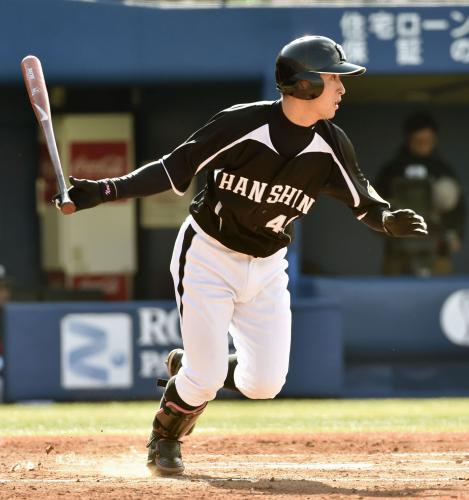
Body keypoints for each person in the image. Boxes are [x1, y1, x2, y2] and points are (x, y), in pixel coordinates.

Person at [54, 35, 427, 475]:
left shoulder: (332, 143)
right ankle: (165, 439)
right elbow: (173, 168)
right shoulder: (242, 124)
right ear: (305, 85)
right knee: (205, 378)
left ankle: (193, 366)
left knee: (265, 384)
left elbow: (363, 200)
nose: (342, 89)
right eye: (333, 79)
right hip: (209, 256)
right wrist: (104, 190)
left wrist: (386, 220)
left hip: (268, 268)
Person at [376, 112, 465, 275]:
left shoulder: (442, 169)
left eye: (427, 140)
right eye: (418, 141)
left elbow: (457, 206)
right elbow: (374, 204)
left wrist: (455, 234)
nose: (423, 144)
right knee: (394, 292)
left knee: (437, 293)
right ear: (409, 139)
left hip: (436, 243)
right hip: (399, 246)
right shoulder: (393, 169)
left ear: (434, 139)